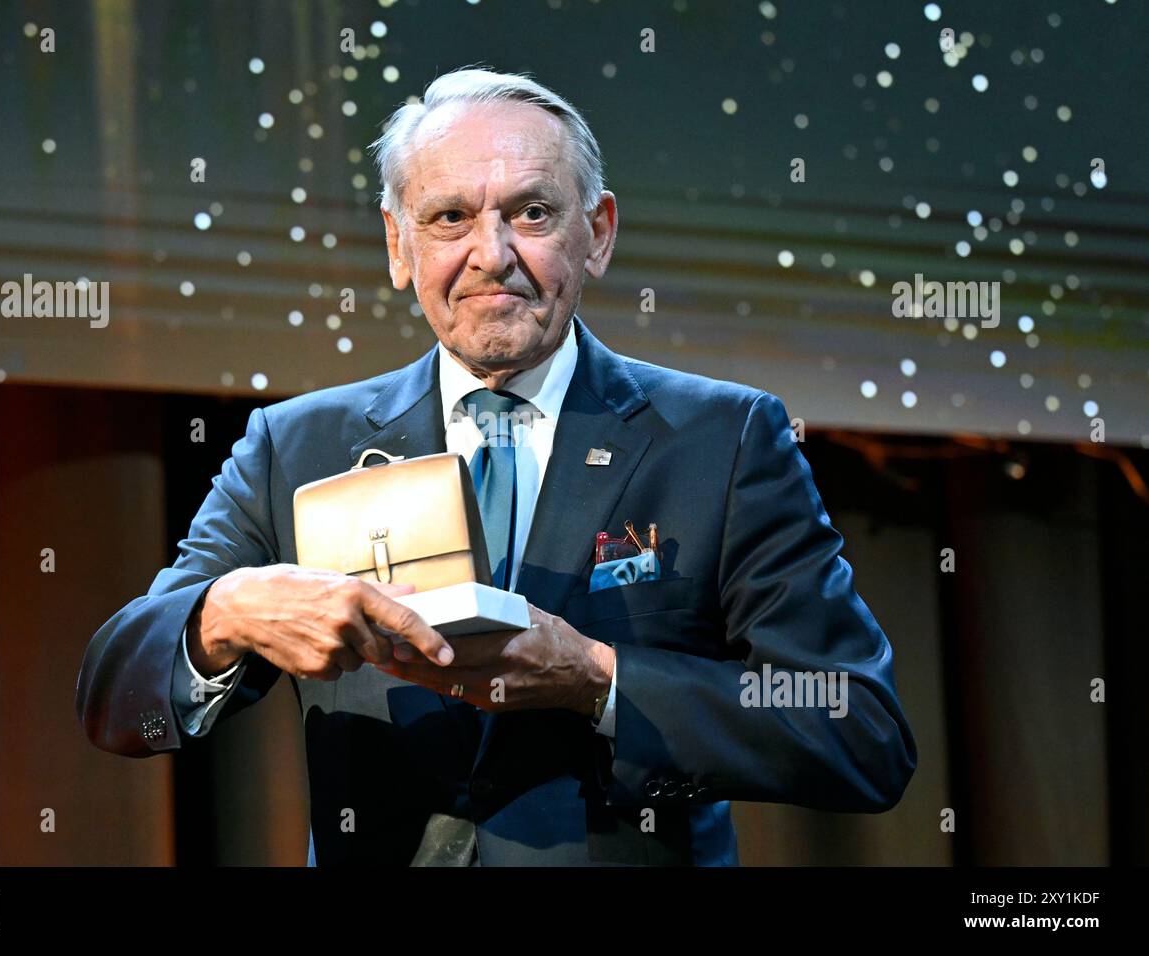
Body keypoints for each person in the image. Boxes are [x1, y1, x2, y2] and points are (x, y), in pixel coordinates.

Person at [75, 66, 916, 866]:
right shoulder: (292, 447)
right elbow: (116, 703)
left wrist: (598, 680)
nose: (491, 253)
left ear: (598, 233)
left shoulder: (722, 439)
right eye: (448, 219)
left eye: (533, 213)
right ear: (398, 248)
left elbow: (860, 731)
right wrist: (223, 616)